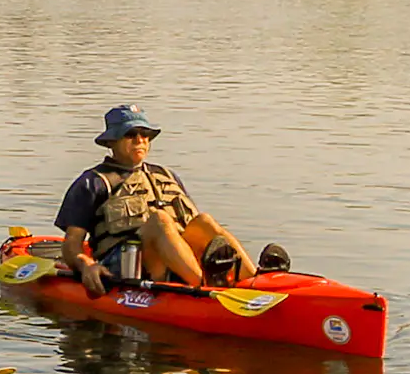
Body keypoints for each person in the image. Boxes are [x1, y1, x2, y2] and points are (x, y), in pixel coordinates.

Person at [56, 105, 277, 299]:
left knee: (204, 221)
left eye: (145, 134)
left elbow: (192, 230)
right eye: (130, 134)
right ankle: (205, 289)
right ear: (112, 141)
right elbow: (72, 243)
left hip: (175, 258)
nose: (140, 140)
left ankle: (254, 281)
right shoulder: (93, 182)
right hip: (126, 264)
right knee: (160, 219)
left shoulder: (166, 175)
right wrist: (86, 265)